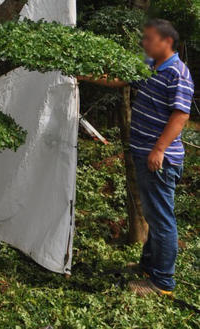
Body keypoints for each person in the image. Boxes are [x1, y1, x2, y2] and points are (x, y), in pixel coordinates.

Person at [78, 19, 194, 296]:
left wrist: (159, 150)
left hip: (160, 159)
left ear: (167, 42)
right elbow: (120, 79)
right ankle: (148, 267)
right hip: (145, 153)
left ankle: (162, 282)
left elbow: (181, 116)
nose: (144, 43)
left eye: (149, 39)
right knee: (154, 215)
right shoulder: (149, 64)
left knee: (161, 219)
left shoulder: (177, 73)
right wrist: (82, 75)